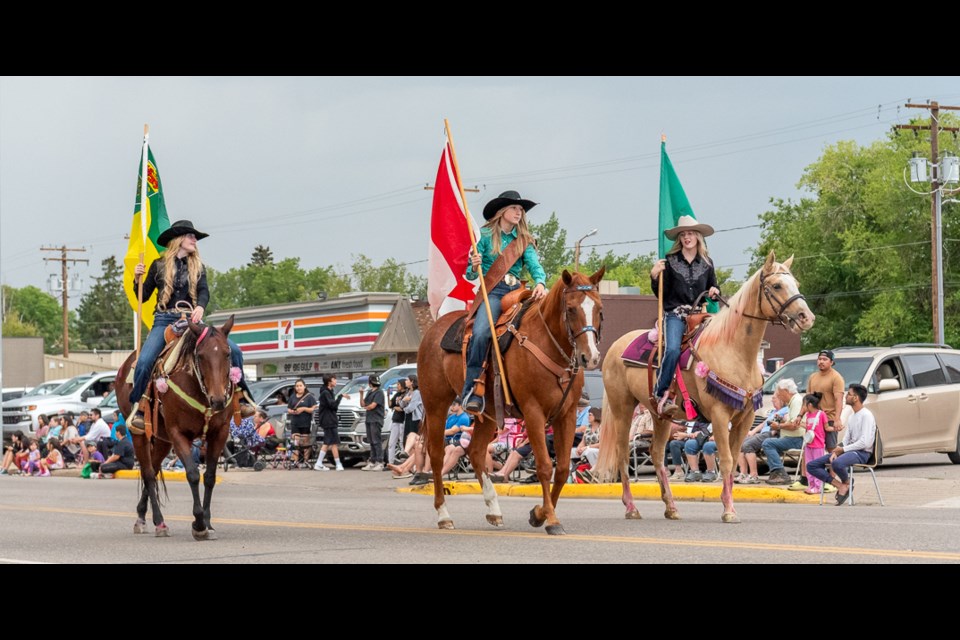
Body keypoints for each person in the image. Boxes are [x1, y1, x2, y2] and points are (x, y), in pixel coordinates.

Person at [130, 219, 254, 431]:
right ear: (179, 239)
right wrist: (137, 279)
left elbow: (204, 292)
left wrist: (201, 307)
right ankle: (139, 407)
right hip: (165, 320)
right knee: (144, 361)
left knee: (234, 350)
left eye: (195, 237)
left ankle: (242, 397)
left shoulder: (198, 267)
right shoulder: (158, 265)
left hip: (194, 321)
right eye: (191, 236)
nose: (194, 240)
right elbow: (143, 296)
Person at [461, 190, 547, 413]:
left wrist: (540, 282)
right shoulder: (483, 236)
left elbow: (534, 265)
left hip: (518, 292)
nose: (519, 213)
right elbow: (470, 275)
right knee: (481, 333)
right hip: (493, 292)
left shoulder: (523, 240)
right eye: (514, 208)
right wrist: (474, 264)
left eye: (521, 210)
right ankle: (472, 389)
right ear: (502, 212)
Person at [649, 215, 720, 416]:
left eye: (690, 233)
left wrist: (715, 292)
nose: (687, 237)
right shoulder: (670, 262)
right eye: (683, 234)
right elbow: (660, 294)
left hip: (701, 315)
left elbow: (714, 289)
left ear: (698, 236)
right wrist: (655, 276)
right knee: (672, 350)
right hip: (676, 315)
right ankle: (660, 392)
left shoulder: (707, 263)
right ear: (679, 238)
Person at [806, 384, 876, 505]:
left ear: (856, 398)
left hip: (862, 453)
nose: (846, 396)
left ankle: (846, 483)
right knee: (811, 466)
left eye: (849, 394)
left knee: (837, 463)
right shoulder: (852, 416)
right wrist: (837, 450)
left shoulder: (866, 415)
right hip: (849, 451)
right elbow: (847, 439)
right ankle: (842, 485)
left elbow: (865, 442)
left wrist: (842, 450)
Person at [736, 393, 787, 484]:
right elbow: (764, 423)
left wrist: (775, 430)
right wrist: (753, 432)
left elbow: (785, 421)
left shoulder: (785, 410)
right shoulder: (774, 411)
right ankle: (743, 473)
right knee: (740, 444)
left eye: (774, 398)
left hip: (770, 434)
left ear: (781, 400)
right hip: (763, 433)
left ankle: (754, 475)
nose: (772, 400)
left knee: (748, 445)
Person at [762, 378, 806, 485]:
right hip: (792, 437)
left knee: (767, 443)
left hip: (797, 439)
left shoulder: (796, 401)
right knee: (769, 443)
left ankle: (780, 473)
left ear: (786, 391)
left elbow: (795, 425)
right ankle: (776, 472)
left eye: (780, 394)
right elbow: (792, 421)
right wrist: (782, 420)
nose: (780, 397)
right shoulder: (794, 401)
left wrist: (779, 426)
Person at [805, 350, 845, 450]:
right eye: (819, 359)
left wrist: (837, 419)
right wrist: (800, 415)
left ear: (831, 362)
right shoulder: (812, 377)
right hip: (814, 419)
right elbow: (807, 399)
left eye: (825, 359)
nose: (821, 361)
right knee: (811, 447)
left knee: (831, 448)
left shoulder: (836, 377)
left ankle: (837, 465)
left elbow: (838, 400)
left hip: (829, 418)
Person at [790, 392, 827, 494]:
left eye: (804, 405)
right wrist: (799, 424)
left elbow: (826, 427)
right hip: (809, 444)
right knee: (808, 465)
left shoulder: (821, 414)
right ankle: (811, 485)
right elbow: (809, 427)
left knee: (817, 466)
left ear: (809, 405)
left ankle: (818, 486)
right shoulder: (808, 415)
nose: (803, 407)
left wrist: (835, 428)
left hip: (818, 445)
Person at [314, 375, 350, 471]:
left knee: (330, 442)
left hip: (330, 419)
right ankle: (333, 464)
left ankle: (321, 463)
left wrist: (339, 397)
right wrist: (340, 397)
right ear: (329, 382)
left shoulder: (329, 392)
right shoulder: (325, 393)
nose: (336, 381)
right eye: (334, 379)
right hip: (328, 420)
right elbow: (333, 405)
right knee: (331, 442)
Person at [286, 379, 317, 467]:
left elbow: (313, 409)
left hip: (305, 422)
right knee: (296, 441)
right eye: (297, 386)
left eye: (300, 386)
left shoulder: (309, 397)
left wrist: (303, 409)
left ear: (304, 386)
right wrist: (292, 411)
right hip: (295, 422)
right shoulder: (292, 397)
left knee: (305, 442)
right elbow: (288, 408)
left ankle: (306, 461)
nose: (299, 388)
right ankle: (295, 461)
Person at [360, 375, 387, 471]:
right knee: (371, 441)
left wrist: (366, 407)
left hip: (376, 419)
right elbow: (363, 404)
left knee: (376, 441)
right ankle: (372, 461)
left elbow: (372, 406)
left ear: (370, 383)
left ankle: (379, 461)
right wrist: (361, 394)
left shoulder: (379, 392)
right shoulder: (369, 392)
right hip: (369, 419)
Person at [386, 379, 407, 465]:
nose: (397, 386)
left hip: (402, 420)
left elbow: (402, 409)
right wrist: (388, 396)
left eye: (398, 384)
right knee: (391, 442)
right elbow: (391, 405)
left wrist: (395, 407)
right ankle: (390, 462)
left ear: (402, 385)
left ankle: (404, 462)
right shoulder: (397, 394)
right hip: (395, 419)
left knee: (402, 441)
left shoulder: (406, 394)